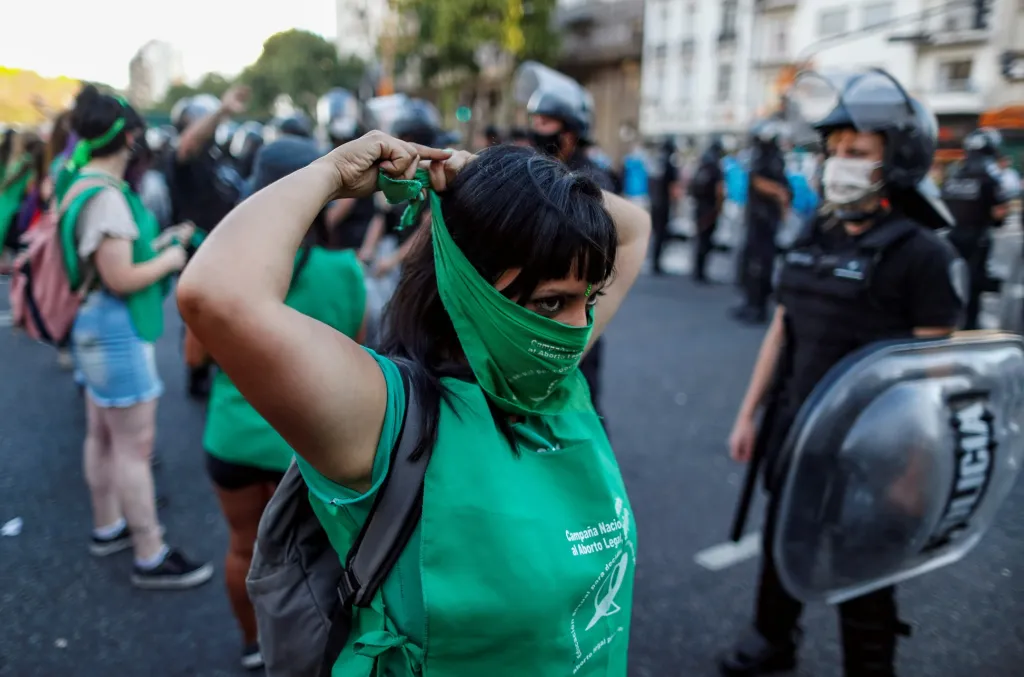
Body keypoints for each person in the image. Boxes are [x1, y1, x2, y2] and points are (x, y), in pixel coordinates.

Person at [178, 132, 650, 675]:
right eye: (551, 302)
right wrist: (331, 174)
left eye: (590, 299)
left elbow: (635, 228)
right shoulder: (386, 415)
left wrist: (484, 175)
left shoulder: (548, 376)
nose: (578, 330)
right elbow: (216, 296)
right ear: (471, 286)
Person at [719, 69, 964, 677]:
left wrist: (915, 471)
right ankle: (772, 640)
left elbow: (933, 378)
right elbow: (782, 328)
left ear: (897, 160)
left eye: (857, 151)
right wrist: (748, 414)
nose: (839, 163)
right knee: (784, 540)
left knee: (865, 572)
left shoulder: (923, 254)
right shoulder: (817, 231)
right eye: (834, 150)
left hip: (874, 448)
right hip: (795, 429)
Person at [184, 137, 369, 671]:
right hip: (313, 440)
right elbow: (357, 354)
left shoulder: (227, 273)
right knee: (327, 558)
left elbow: (195, 356)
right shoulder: (344, 270)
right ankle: (318, 651)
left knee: (243, 548)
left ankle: (253, 647)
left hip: (235, 436)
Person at [60, 85, 213, 589]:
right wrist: (172, 258)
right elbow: (121, 277)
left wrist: (163, 242)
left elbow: (112, 259)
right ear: (128, 137)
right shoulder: (107, 197)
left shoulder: (79, 181)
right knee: (133, 446)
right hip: (115, 331)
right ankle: (150, 553)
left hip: (92, 326)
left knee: (102, 434)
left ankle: (109, 526)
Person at [520, 62, 615, 423]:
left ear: (571, 131)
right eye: (535, 121)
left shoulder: (593, 180)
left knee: (578, 399)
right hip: (539, 309)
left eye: (546, 122)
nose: (537, 129)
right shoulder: (537, 171)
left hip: (574, 305)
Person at [167, 88, 250, 398]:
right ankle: (198, 373)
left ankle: (220, 368)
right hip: (199, 252)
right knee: (200, 317)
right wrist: (222, 111)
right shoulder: (183, 158)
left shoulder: (220, 155)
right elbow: (188, 143)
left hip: (228, 250)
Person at [941, 128, 1010, 330]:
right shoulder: (990, 174)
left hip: (952, 236)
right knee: (974, 284)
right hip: (978, 238)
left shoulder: (955, 173)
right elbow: (999, 210)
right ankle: (969, 327)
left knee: (954, 280)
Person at [732, 120, 791, 324]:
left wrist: (781, 201)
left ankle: (757, 306)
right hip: (759, 218)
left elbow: (769, 185)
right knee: (752, 263)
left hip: (764, 221)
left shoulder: (770, 157)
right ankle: (751, 303)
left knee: (759, 264)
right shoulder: (764, 156)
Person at [317, 88, 383, 253]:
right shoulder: (328, 154)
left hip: (357, 242)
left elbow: (348, 204)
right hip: (341, 244)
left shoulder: (360, 153)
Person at [688, 138, 726, 283]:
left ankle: (697, 270)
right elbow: (719, 190)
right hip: (709, 208)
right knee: (706, 240)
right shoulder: (715, 168)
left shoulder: (701, 167)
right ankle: (700, 271)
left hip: (699, 207)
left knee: (700, 238)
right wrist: (720, 207)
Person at [648, 138, 682, 275]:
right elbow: (673, 188)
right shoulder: (669, 164)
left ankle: (655, 261)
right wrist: (676, 204)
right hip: (663, 203)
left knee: (656, 233)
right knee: (661, 234)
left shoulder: (656, 162)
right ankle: (657, 263)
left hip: (654, 202)